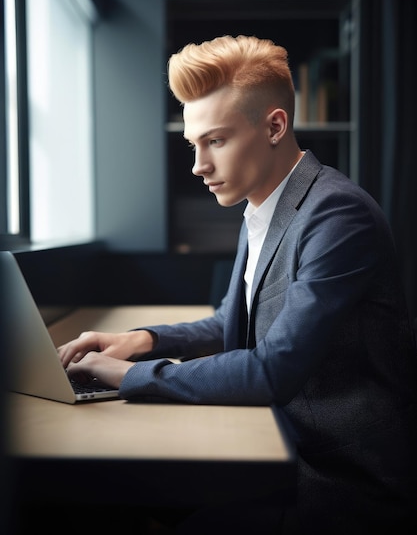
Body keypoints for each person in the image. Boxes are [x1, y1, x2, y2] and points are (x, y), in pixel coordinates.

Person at [58, 35, 417, 534]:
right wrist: (142, 341)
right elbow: (236, 318)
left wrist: (126, 376)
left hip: (337, 480)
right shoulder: (262, 202)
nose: (198, 165)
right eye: (193, 144)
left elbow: (273, 369)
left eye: (216, 141)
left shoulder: (337, 213)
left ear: (274, 126)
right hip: (281, 443)